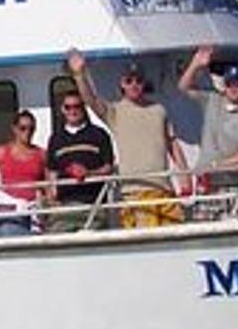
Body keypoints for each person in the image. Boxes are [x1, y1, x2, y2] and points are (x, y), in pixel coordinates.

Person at [71, 49, 188, 227]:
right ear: (122, 84)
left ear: (144, 83)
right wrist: (79, 74)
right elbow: (91, 100)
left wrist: (184, 176)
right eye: (129, 81)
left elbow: (172, 144)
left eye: (138, 81)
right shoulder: (114, 112)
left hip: (164, 189)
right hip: (134, 193)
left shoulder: (159, 110)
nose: (134, 85)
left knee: (176, 234)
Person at [178, 46, 238, 196]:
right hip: (205, 181)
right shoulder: (212, 100)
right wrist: (195, 64)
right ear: (225, 85)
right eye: (230, 83)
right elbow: (183, 88)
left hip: (230, 183)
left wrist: (218, 165)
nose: (234, 88)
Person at [45, 87, 116, 231]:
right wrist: (52, 198)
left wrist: (88, 173)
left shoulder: (99, 134)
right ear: (63, 110)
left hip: (94, 204)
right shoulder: (55, 139)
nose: (73, 111)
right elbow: (51, 171)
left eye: (77, 106)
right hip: (64, 206)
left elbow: (108, 167)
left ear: (83, 108)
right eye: (68, 107)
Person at [0, 111, 51, 237]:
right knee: (9, 233)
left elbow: (48, 186)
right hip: (10, 209)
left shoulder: (41, 154)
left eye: (31, 129)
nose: (27, 132)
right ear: (14, 129)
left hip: (34, 210)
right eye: (23, 128)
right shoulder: (2, 152)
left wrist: (47, 203)